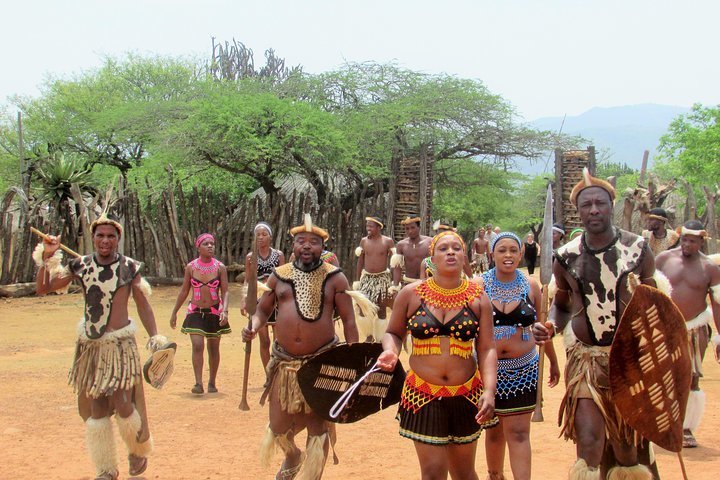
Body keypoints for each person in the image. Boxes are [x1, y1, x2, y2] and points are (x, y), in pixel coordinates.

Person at [532, 169, 658, 480]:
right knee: (588, 441)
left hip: (628, 359)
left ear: (611, 205)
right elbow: (562, 305)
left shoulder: (638, 249)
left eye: (599, 203)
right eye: (586, 205)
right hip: (587, 359)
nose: (594, 210)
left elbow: (654, 302)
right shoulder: (565, 257)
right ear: (578, 211)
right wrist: (550, 326)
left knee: (626, 446)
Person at [33, 214, 166, 480]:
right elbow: (43, 289)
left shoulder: (129, 267)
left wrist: (155, 337)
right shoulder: (80, 265)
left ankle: (136, 449)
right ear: (93, 238)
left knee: (123, 403)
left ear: (118, 240)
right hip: (92, 348)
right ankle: (106, 468)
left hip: (119, 346)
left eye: (111, 236)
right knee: (96, 408)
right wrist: (47, 256)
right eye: (100, 236)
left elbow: (142, 305)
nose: (105, 240)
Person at [242, 215, 360, 480]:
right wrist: (253, 324)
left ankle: (312, 476)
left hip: (321, 363)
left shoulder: (335, 278)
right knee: (278, 425)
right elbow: (262, 309)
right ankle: (292, 455)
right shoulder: (279, 276)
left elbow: (350, 321)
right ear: (292, 245)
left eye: (314, 242)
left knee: (318, 427)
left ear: (323, 247)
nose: (307, 246)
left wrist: (353, 360)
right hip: (284, 363)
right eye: (301, 241)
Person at [377, 230, 498, 480]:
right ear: (431, 258)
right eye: (443, 248)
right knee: (432, 473)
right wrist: (391, 350)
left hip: (466, 395)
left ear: (465, 256)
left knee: (464, 473)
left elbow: (486, 348)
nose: (451, 252)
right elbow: (393, 332)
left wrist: (489, 390)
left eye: (456, 248)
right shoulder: (411, 294)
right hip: (422, 394)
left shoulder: (479, 299)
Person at [482, 232, 560, 480]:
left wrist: (554, 363)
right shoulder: (478, 285)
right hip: (487, 371)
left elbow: (541, 326)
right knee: (493, 432)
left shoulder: (532, 286)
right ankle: (495, 476)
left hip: (523, 370)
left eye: (513, 250)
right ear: (491, 254)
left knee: (518, 433)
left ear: (521, 253)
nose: (508, 255)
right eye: (502, 250)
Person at [656, 220, 720, 448]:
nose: (687, 245)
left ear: (702, 241)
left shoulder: (710, 268)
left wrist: (719, 337)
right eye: (684, 240)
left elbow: (717, 303)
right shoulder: (664, 259)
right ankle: (662, 424)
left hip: (695, 329)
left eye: (692, 241)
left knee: (691, 377)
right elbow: (649, 290)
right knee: (661, 375)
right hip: (665, 327)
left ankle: (686, 427)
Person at [170, 233, 231, 394]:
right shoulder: (191, 267)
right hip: (195, 312)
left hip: (214, 312)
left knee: (213, 348)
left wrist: (224, 310)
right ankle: (198, 383)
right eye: (206, 244)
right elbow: (184, 291)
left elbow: (225, 292)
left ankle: (212, 382)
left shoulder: (220, 268)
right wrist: (174, 311)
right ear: (198, 247)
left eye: (212, 243)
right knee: (197, 345)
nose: (210, 246)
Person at [241, 222, 286, 371]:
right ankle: (268, 373)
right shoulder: (250, 257)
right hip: (258, 301)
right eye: (258, 235)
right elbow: (248, 279)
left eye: (264, 234)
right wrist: (244, 299)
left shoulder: (278, 255)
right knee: (264, 340)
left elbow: (283, 277)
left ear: (270, 237)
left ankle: (277, 372)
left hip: (275, 300)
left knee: (278, 340)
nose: (260, 237)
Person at [355, 216, 395, 341]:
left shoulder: (387, 241)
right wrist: (357, 280)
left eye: (371, 226)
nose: (368, 228)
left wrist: (394, 282)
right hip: (366, 279)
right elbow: (360, 261)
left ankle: (380, 338)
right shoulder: (363, 241)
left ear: (379, 227)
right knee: (363, 307)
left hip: (382, 279)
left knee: (381, 309)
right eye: (367, 226)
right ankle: (369, 335)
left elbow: (394, 263)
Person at [391, 215, 432, 289]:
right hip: (408, 282)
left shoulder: (430, 242)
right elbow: (397, 268)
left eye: (413, 227)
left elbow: (436, 263)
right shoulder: (401, 245)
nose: (410, 231)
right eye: (407, 229)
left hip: (427, 283)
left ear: (419, 227)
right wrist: (395, 286)